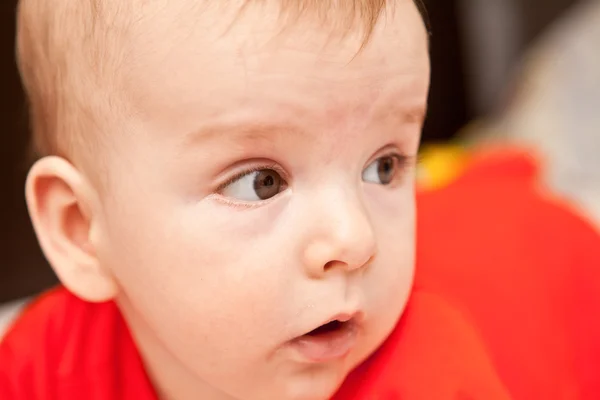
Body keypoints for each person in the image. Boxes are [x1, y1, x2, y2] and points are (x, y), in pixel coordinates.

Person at [2, 1, 600, 399]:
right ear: (83, 229)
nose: (355, 239)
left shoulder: (429, 378)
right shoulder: (47, 365)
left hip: (552, 271)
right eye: (262, 181)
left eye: (384, 165)